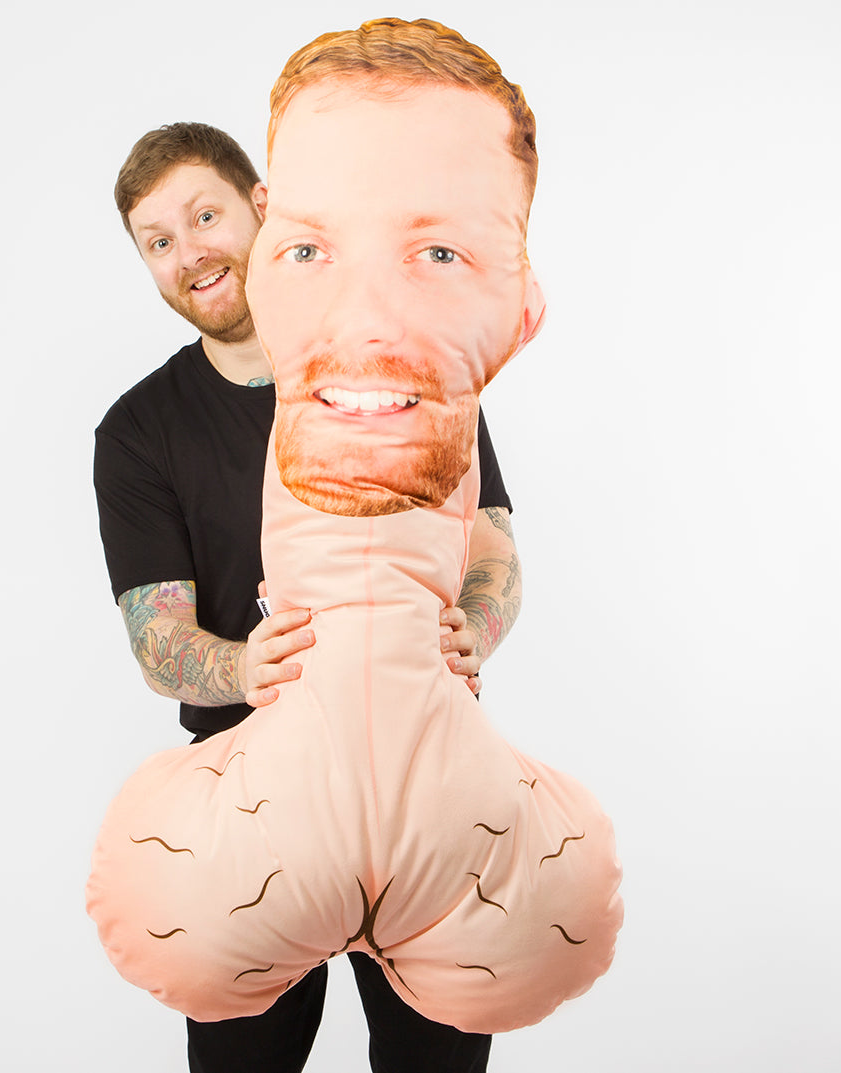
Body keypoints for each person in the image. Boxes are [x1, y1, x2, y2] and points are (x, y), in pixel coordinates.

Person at [94, 89, 524, 1073]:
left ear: (262, 205)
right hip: (249, 807)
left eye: (204, 215)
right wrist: (243, 669)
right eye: (158, 241)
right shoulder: (139, 432)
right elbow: (157, 642)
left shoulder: (405, 357)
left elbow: (492, 541)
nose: (189, 251)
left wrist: (478, 619)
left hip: (420, 786)